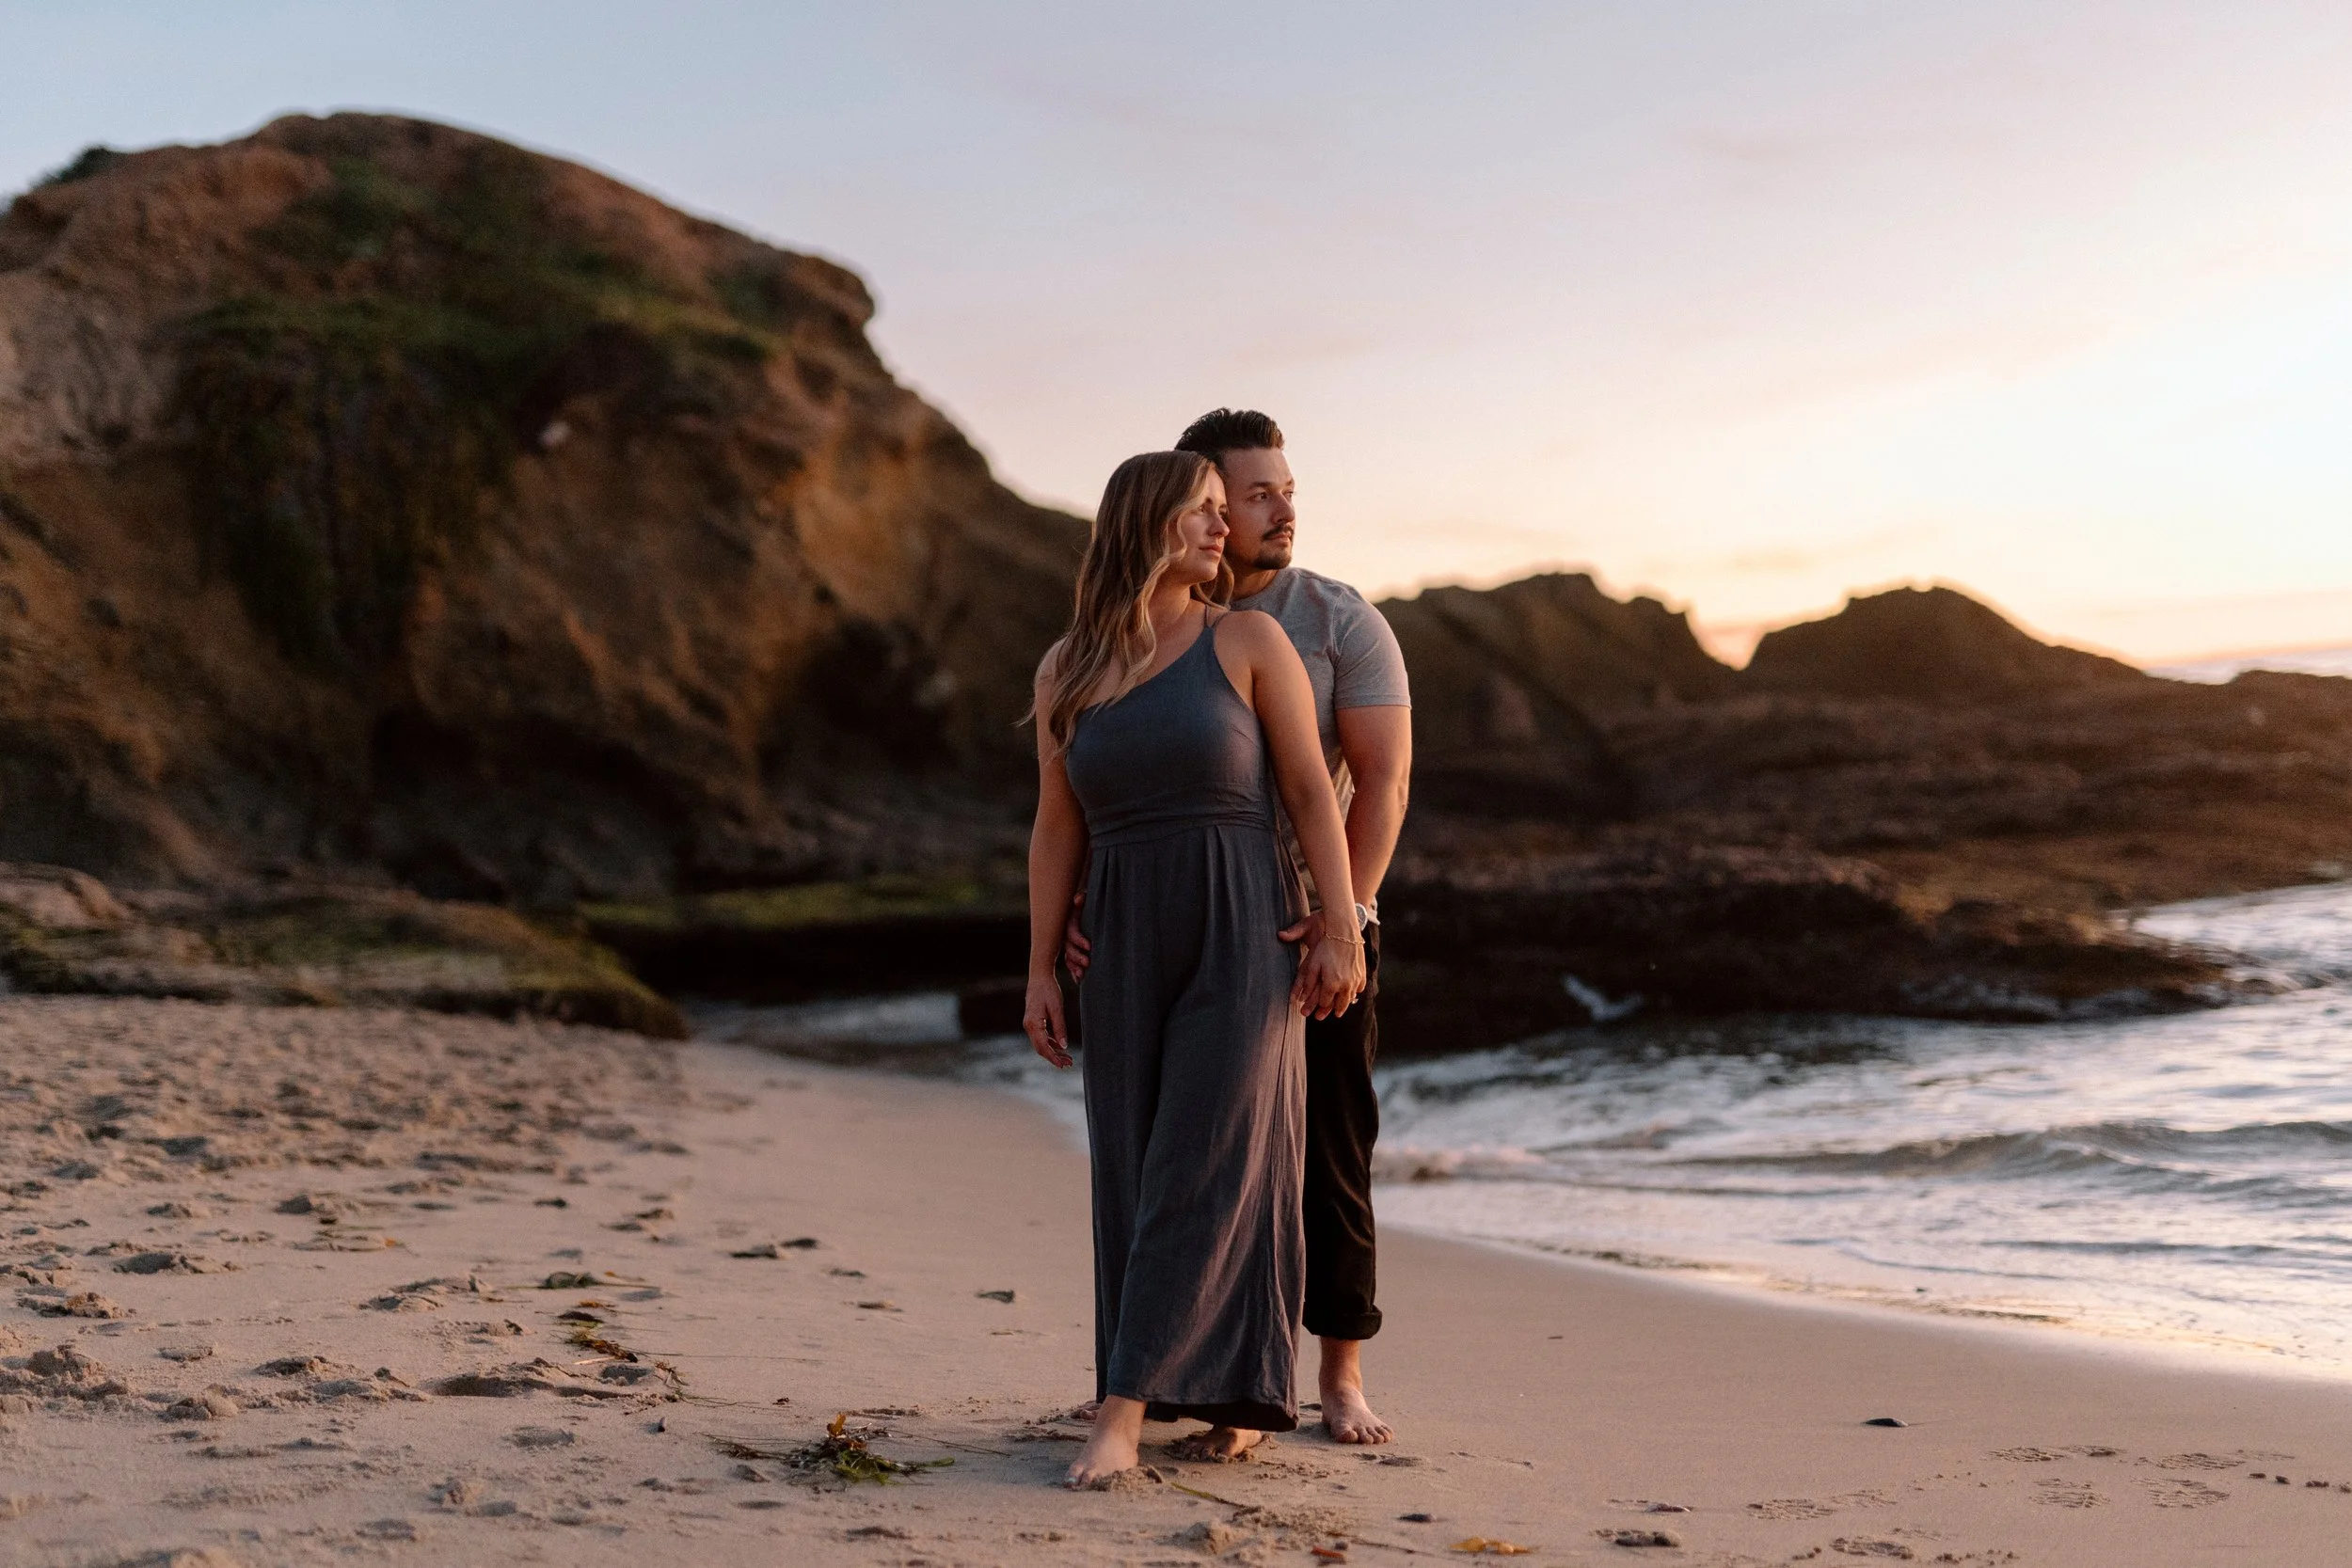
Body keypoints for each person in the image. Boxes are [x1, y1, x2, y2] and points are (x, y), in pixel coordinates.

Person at [1067, 409, 1411, 1448]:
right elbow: (1091, 786)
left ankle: (1336, 1373)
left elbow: (1376, 781)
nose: (1273, 510)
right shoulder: (1121, 639)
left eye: (1278, 492)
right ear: (1186, 500)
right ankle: (1218, 1385)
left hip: (1315, 917)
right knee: (1200, 1153)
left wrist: (1339, 917)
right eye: (1247, 494)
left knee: (1327, 1158)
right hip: (1179, 918)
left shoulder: (1334, 618)